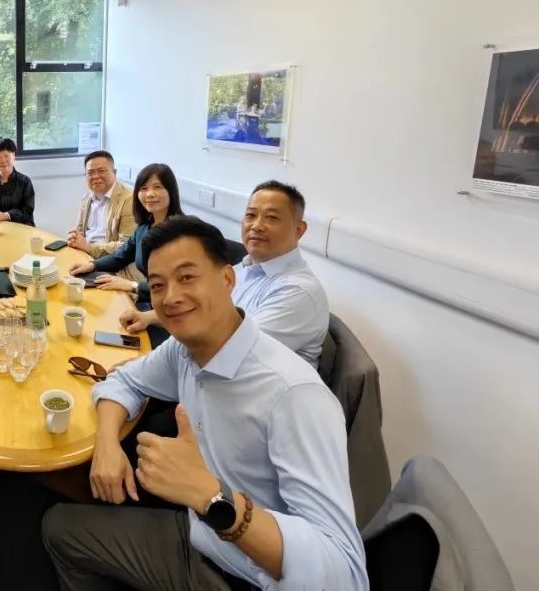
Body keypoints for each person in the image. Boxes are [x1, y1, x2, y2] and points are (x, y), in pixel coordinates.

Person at [41, 216, 367, 591]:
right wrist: (106, 444)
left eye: (187, 277)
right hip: (200, 534)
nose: (171, 297)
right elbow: (122, 380)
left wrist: (212, 497)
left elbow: (345, 575)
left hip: (248, 575)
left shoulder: (293, 394)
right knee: (59, 528)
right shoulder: (185, 350)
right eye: (158, 285)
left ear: (228, 279)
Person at [120, 180, 329, 368]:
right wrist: (148, 317)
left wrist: (147, 366)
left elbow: (232, 351)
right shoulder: (243, 268)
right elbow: (201, 310)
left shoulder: (298, 292)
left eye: (272, 218)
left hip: (239, 390)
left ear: (299, 230)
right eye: (250, 215)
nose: (256, 226)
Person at [67, 163, 184, 345]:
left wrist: (132, 285)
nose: (150, 194)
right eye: (144, 188)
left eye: (157, 187)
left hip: (173, 316)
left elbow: (177, 287)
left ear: (171, 191)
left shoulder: (181, 233)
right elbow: (121, 255)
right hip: (148, 305)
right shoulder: (145, 227)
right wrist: (92, 265)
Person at [66, 150, 138, 261]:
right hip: (85, 255)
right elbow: (79, 230)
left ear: (114, 172)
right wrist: (74, 237)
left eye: (101, 171)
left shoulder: (129, 200)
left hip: (112, 262)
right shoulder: (86, 198)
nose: (96, 176)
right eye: (90, 173)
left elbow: (126, 245)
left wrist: (89, 247)